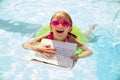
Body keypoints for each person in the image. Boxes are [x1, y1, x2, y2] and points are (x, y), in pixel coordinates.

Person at [22, 11, 92, 61]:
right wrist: (38, 49)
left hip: (77, 37)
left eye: (65, 23)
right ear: (51, 27)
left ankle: (90, 29)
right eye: (55, 23)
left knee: (86, 37)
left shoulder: (71, 39)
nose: (60, 25)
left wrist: (78, 56)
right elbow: (24, 45)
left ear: (70, 28)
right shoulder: (47, 36)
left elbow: (89, 51)